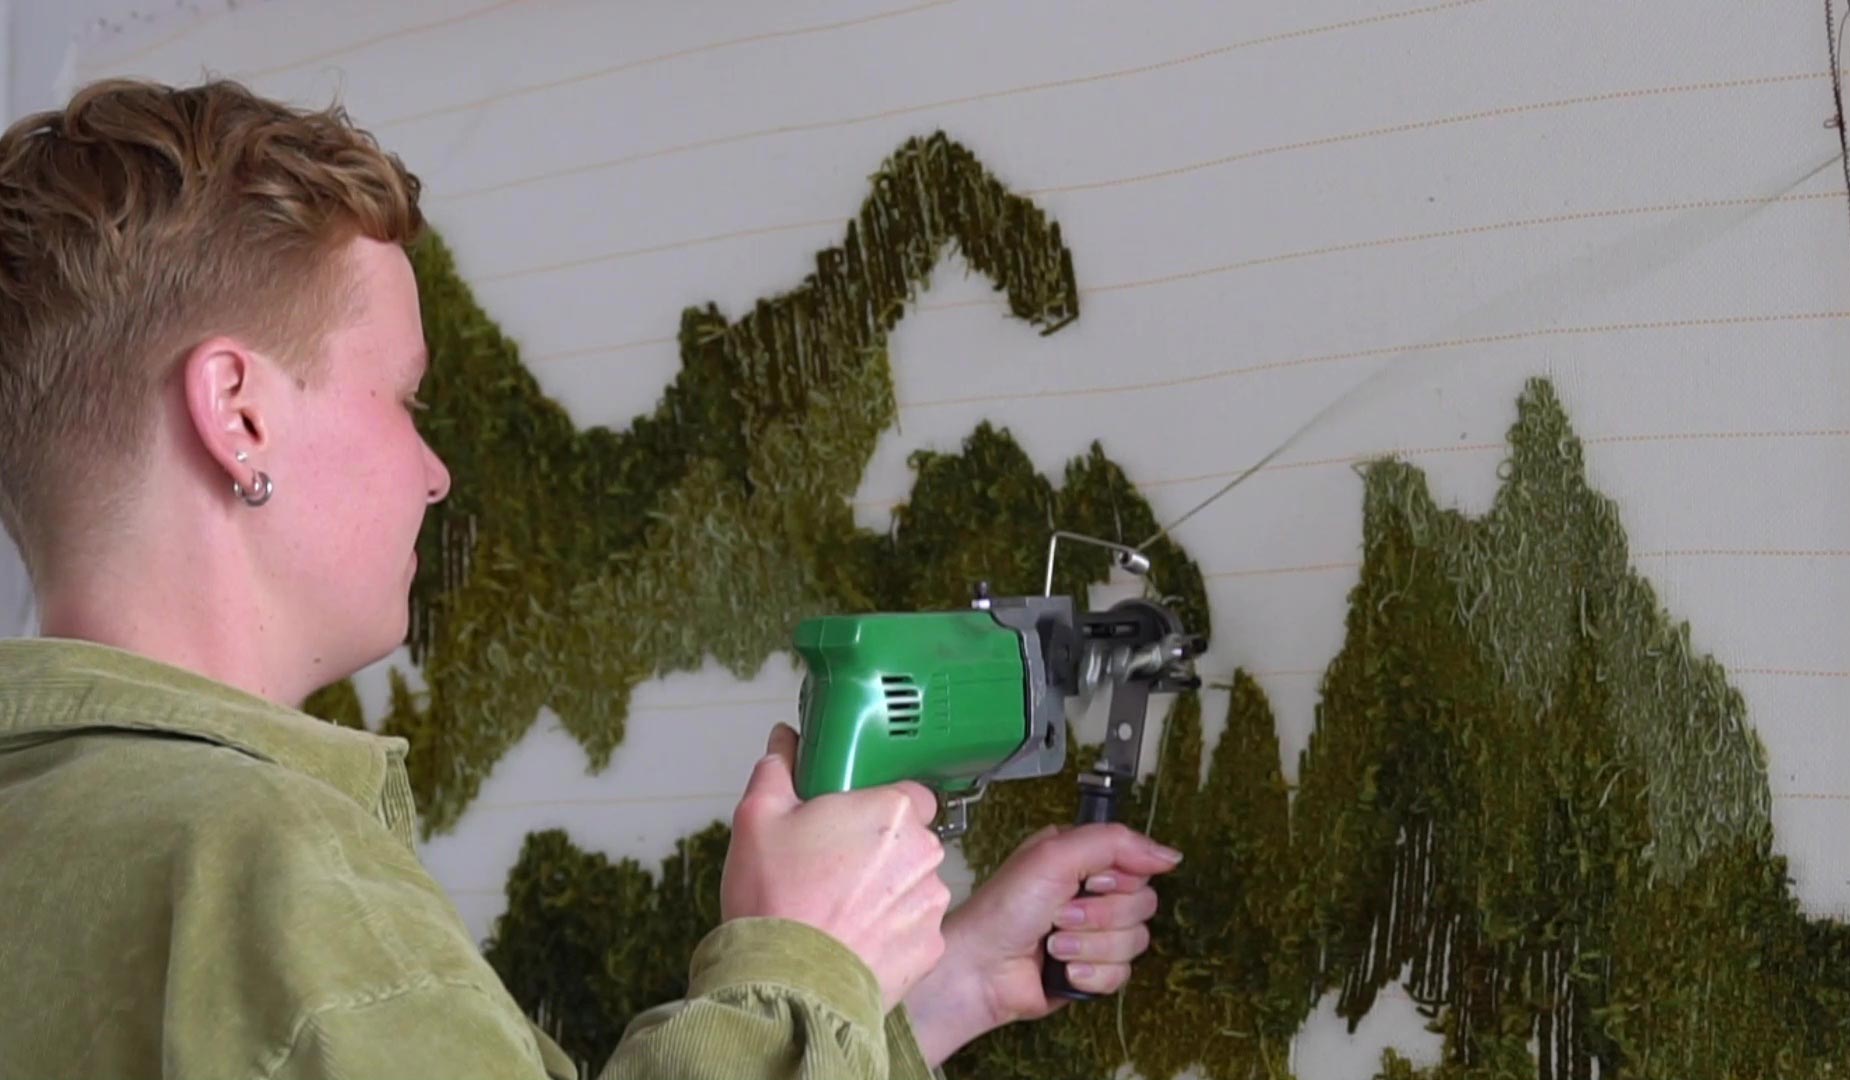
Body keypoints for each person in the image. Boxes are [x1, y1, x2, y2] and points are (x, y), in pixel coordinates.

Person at [0, 78, 1183, 1079]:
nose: (434, 473)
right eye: (405, 399)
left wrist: (928, 994)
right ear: (238, 413)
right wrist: (794, 965)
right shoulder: (276, 875)